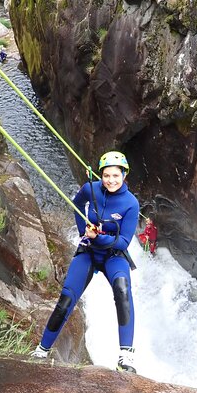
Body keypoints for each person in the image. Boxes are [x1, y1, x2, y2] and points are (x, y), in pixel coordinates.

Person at [30, 151, 140, 373]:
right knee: (66, 298)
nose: (111, 180)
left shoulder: (131, 203)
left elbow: (123, 242)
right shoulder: (91, 189)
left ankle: (125, 357)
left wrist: (97, 237)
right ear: (101, 175)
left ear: (124, 175)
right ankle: (42, 350)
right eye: (106, 175)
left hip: (112, 256)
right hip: (89, 252)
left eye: (116, 176)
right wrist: (84, 230)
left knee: (122, 291)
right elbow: (77, 205)